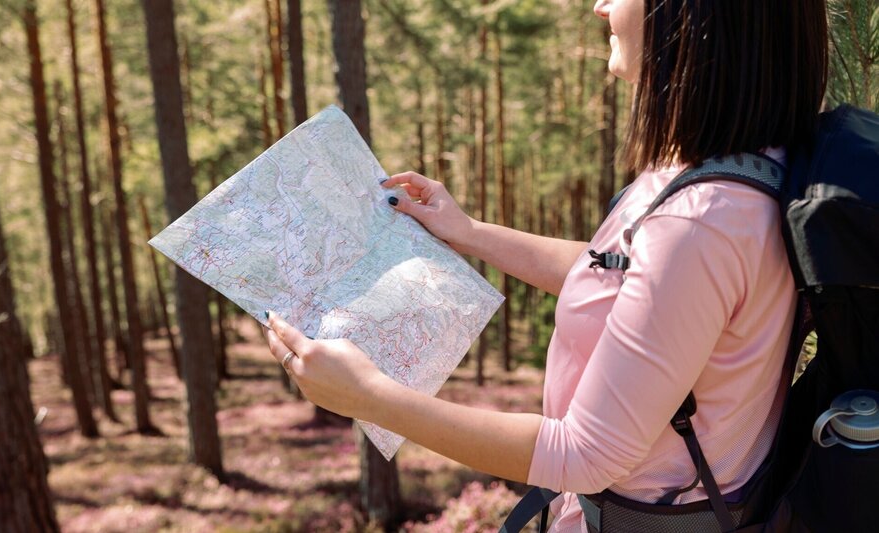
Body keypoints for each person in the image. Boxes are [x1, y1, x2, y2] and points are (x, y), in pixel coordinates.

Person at [264, 0, 829, 530]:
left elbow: (584, 455)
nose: (600, 6)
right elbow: (626, 282)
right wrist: (470, 234)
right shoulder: (731, 172)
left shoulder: (702, 220)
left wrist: (368, 397)